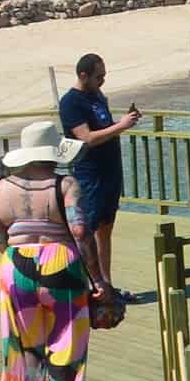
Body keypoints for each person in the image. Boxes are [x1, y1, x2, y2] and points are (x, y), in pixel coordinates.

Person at [0, 120, 115, 381]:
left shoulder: (0, 189)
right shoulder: (65, 185)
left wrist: (18, 256)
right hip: (61, 267)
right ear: (53, 152)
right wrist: (98, 279)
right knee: (66, 347)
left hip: (15, 267)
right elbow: (81, 233)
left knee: (25, 347)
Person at [59, 53, 140, 294]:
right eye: (98, 76)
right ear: (83, 75)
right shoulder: (71, 102)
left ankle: (106, 283)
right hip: (90, 173)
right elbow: (87, 138)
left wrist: (123, 123)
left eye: (104, 76)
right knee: (88, 230)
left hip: (110, 170)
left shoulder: (97, 95)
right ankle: (89, 285)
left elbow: (104, 127)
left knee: (106, 228)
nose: (102, 81)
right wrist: (121, 126)